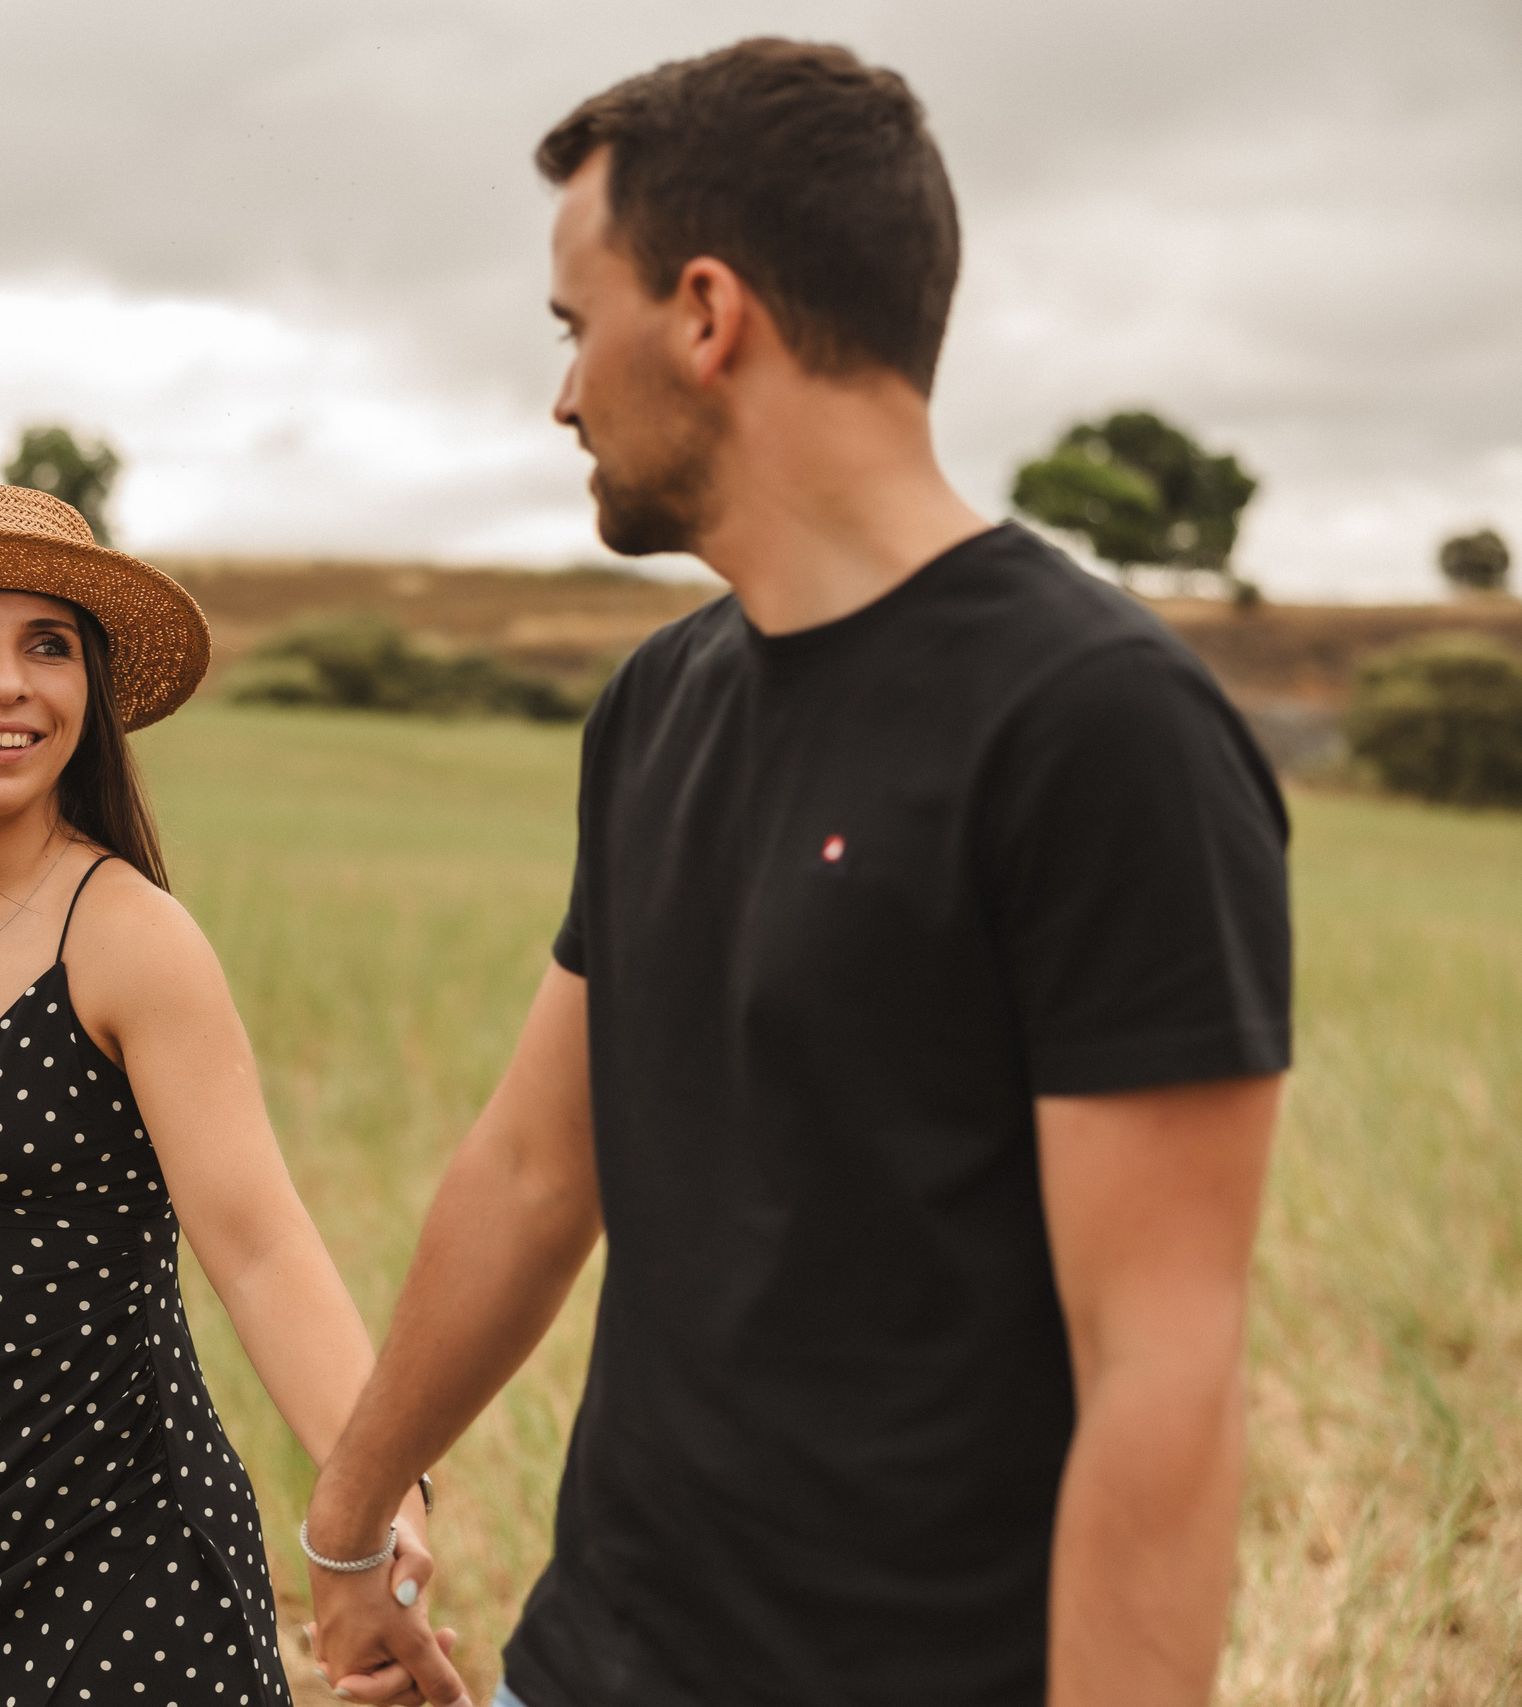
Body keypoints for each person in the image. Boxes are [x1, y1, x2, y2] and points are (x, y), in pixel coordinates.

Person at [303, 39, 1291, 1707]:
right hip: (591, 1662)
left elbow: (1162, 1377)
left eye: (572, 324)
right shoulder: (659, 702)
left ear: (707, 313)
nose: (561, 395)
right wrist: (348, 1523)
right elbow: (537, 1165)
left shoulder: (1099, 725)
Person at [0, 483, 440, 1707]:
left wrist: (382, 1508)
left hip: (121, 1577)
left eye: (49, 647)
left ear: (90, 693)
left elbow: (261, 1249)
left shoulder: (125, 934)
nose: (7, 683)